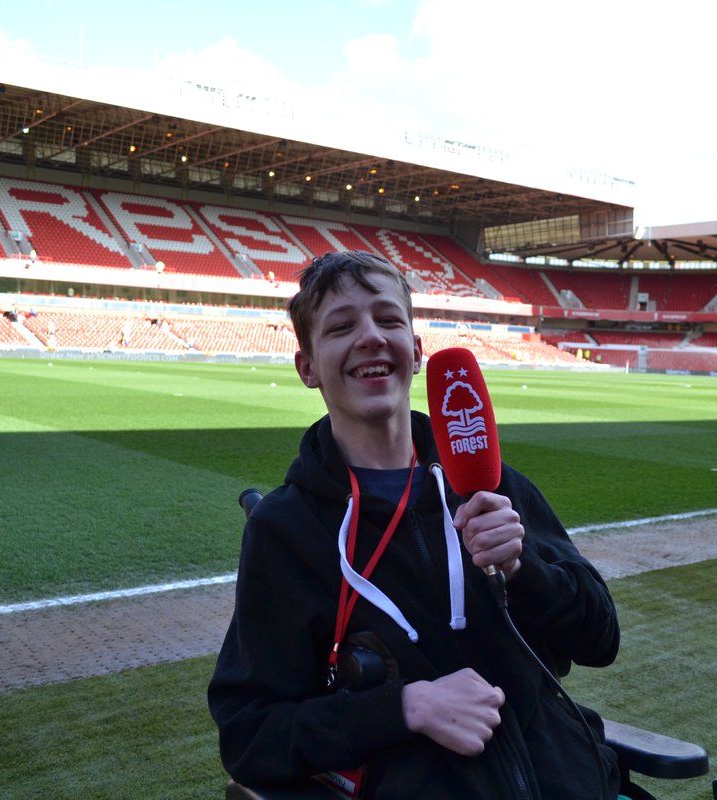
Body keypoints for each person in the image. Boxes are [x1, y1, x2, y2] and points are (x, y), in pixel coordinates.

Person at [208, 251, 621, 799]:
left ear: (417, 351)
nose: (371, 337)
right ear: (307, 367)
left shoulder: (494, 485)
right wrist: (404, 708)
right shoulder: (286, 528)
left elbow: (600, 640)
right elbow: (250, 733)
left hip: (569, 781)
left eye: (388, 319)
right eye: (341, 326)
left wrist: (525, 571)